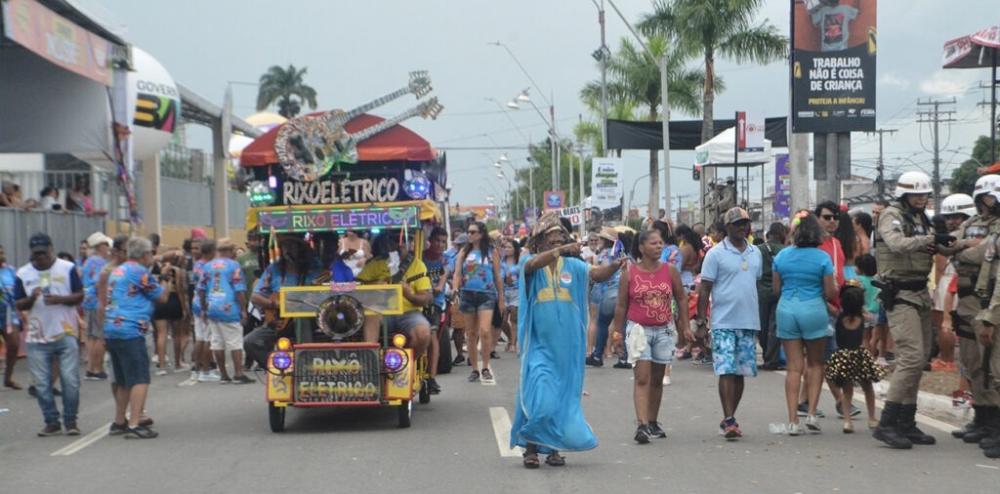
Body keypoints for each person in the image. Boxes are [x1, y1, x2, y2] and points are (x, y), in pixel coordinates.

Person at [510, 212, 619, 468]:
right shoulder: (529, 261)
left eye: (560, 236)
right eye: (552, 237)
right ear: (539, 241)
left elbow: (596, 274)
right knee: (540, 395)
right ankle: (531, 446)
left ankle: (554, 449)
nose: (557, 240)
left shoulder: (574, 266)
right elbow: (530, 266)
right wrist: (560, 251)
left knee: (561, 398)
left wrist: (615, 266)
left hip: (567, 348)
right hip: (538, 345)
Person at [873, 171, 954, 449]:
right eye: (916, 194)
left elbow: (939, 246)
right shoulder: (890, 215)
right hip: (900, 292)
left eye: (924, 195)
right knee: (910, 357)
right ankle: (887, 424)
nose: (921, 199)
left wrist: (956, 241)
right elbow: (896, 244)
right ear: (903, 195)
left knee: (920, 360)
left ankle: (906, 422)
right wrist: (930, 238)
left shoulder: (923, 218)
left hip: (920, 291)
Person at [612, 228, 692, 443]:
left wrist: (685, 327)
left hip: (664, 328)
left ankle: (653, 421)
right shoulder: (630, 274)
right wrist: (617, 333)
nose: (659, 246)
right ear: (641, 247)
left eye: (660, 243)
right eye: (653, 243)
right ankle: (642, 425)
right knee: (642, 377)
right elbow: (621, 306)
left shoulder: (670, 271)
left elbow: (681, 299)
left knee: (657, 378)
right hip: (638, 330)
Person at [695, 207, 762, 440]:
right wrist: (701, 320)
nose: (743, 227)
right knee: (726, 370)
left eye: (745, 223)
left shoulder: (755, 252)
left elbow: (754, 281)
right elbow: (705, 288)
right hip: (723, 321)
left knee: (741, 372)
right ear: (727, 228)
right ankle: (729, 418)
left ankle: (730, 416)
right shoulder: (715, 254)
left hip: (748, 321)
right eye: (737, 224)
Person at [773, 212, 838, 435]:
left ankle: (792, 421)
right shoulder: (822, 258)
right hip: (813, 310)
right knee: (816, 364)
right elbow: (830, 292)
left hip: (787, 309)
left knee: (793, 367)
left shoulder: (781, 256)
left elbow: (776, 289)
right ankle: (811, 413)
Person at [14, 233, 84, 436]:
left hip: (65, 332)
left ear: (51, 249)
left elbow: (80, 295)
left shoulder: (67, 268)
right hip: (37, 337)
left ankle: (71, 421)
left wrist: (61, 299)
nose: (40, 258)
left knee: (70, 381)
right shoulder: (23, 273)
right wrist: (31, 298)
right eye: (36, 255)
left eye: (43, 253)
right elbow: (18, 303)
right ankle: (51, 421)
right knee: (42, 384)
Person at [102, 237, 167, 439]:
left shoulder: (117, 270)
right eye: (151, 253)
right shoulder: (140, 272)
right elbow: (162, 297)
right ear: (145, 254)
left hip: (112, 327)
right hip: (131, 328)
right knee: (140, 378)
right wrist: (165, 278)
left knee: (122, 379)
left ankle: (119, 421)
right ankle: (135, 423)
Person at [952, 177, 1000, 446]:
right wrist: (962, 247)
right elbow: (952, 247)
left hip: (987, 299)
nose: (989, 203)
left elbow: (981, 255)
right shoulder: (970, 224)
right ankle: (982, 417)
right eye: (987, 198)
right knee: (972, 362)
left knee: (991, 362)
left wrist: (964, 250)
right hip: (967, 298)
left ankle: (993, 422)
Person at [357, 231, 433, 369]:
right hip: (381, 311)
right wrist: (375, 286)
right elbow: (356, 288)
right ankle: (371, 362)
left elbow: (426, 297)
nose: (399, 245)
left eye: (403, 241)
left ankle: (405, 365)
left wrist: (408, 294)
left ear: (410, 244)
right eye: (394, 240)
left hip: (409, 313)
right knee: (371, 313)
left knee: (423, 333)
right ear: (388, 244)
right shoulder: (376, 264)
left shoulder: (417, 265)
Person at [245, 237, 321, 370]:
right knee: (250, 341)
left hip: (307, 319)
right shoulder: (274, 269)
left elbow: (321, 293)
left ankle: (305, 366)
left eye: (293, 246)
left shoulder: (314, 268)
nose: (288, 250)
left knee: (301, 319)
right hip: (278, 321)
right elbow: (255, 297)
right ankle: (279, 368)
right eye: (285, 246)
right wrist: (275, 304)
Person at [825, 282, 885, 433]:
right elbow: (868, 329)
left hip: (842, 356)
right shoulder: (863, 319)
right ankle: (872, 418)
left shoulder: (839, 317)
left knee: (847, 391)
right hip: (859, 356)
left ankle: (847, 421)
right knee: (867, 387)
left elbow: (829, 307)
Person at [452, 222, 504, 384]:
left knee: (485, 331)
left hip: (487, 294)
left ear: (481, 234)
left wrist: (501, 297)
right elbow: (457, 273)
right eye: (468, 232)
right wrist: (455, 289)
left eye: (473, 232)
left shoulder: (491, 252)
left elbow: (497, 275)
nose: (470, 235)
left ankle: (486, 366)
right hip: (467, 294)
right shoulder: (463, 252)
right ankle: (474, 368)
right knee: (471, 333)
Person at [198, 240, 251, 384]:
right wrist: (243, 310)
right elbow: (239, 290)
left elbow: (201, 289)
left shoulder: (208, 266)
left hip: (212, 307)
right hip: (229, 307)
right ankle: (238, 374)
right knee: (235, 342)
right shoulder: (234, 265)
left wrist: (203, 308)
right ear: (231, 251)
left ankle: (223, 375)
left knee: (217, 342)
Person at [586, 227, 623, 367]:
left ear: (606, 241)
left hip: (605, 290)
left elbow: (605, 270)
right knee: (619, 325)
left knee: (599, 323)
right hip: (620, 290)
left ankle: (595, 353)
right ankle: (619, 355)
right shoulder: (620, 252)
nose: (598, 240)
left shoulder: (606, 254)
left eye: (601, 238)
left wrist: (593, 267)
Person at [151, 251, 189, 375]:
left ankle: (161, 366)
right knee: (176, 334)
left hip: (159, 301)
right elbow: (179, 289)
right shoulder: (176, 270)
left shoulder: (157, 269)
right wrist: (184, 307)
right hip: (174, 300)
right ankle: (178, 363)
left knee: (161, 334)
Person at [81, 232, 113, 381]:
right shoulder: (100, 263)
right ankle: (97, 368)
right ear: (101, 246)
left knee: (91, 336)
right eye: (106, 245)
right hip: (96, 301)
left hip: (88, 300)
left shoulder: (88, 261)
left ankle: (90, 368)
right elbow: (99, 281)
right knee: (99, 337)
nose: (108, 249)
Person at [423, 226, 449, 393]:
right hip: (416, 299)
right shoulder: (420, 257)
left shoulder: (444, 260)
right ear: (430, 241)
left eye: (443, 242)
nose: (440, 245)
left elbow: (444, 275)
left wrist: (439, 286)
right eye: (437, 241)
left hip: (435, 302)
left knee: (432, 335)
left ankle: (431, 377)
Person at [758, 222, 787, 371]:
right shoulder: (786, 251)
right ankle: (772, 358)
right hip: (780, 291)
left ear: (769, 234)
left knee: (762, 326)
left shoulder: (759, 250)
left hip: (762, 292)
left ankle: (766, 354)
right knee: (775, 326)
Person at [1, 244, 22, 390]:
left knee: (14, 345)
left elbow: (19, 290)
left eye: (2, 251)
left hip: (9, 314)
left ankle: (8, 378)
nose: (1, 254)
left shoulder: (10, 270)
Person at [446, 233, 469, 366]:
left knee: (473, 327)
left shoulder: (475, 258)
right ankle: (460, 354)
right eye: (458, 245)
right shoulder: (453, 258)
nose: (459, 247)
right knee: (458, 327)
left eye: (461, 245)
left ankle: (471, 355)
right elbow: (447, 273)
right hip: (458, 294)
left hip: (473, 293)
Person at [500, 237, 521, 353]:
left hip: (516, 292)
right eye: (505, 247)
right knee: (502, 320)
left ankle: (513, 343)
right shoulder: (501, 262)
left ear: (515, 249)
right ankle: (509, 339)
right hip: (504, 292)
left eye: (509, 247)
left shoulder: (519, 262)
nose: (507, 249)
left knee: (514, 318)